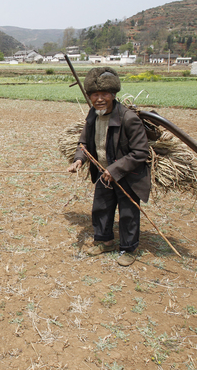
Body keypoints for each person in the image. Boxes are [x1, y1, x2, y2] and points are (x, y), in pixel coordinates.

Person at [67, 67, 151, 266]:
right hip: (103, 173)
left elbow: (140, 153)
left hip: (127, 175)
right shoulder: (93, 115)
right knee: (101, 208)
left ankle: (129, 249)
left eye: (104, 94)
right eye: (95, 95)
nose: (99, 99)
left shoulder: (128, 119)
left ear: (113, 95)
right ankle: (105, 241)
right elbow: (84, 142)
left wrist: (114, 170)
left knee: (128, 212)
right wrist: (79, 159)